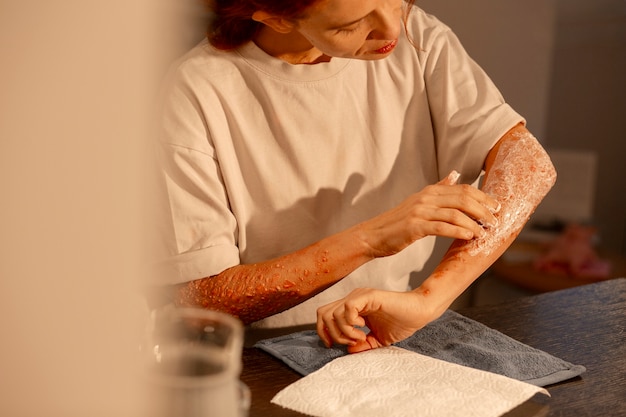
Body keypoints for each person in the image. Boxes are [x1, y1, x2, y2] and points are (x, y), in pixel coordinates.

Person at [153, 0, 556, 353]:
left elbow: (528, 164)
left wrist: (428, 301)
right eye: (350, 25)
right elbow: (202, 298)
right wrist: (371, 239)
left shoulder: (416, 36)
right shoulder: (195, 91)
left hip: (388, 336)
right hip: (251, 353)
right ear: (274, 18)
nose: (392, 27)